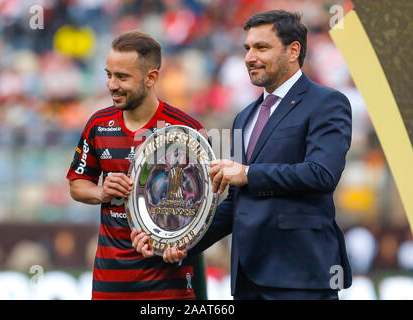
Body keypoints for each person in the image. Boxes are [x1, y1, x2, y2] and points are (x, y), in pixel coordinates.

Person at [132, 10, 353, 300]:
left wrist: (247, 173)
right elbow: (236, 203)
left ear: (293, 51)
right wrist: (179, 241)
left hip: (301, 276)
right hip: (247, 278)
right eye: (247, 48)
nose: (250, 57)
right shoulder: (244, 117)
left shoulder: (327, 103)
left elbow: (322, 173)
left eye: (262, 47)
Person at [67, 31, 207, 300]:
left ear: (151, 77)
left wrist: (178, 243)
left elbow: (204, 212)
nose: (111, 84)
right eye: (108, 74)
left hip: (169, 286)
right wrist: (101, 192)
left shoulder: (186, 131)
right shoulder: (98, 124)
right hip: (110, 283)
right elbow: (77, 184)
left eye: (122, 77)